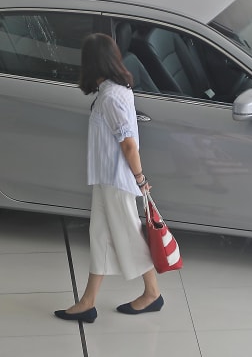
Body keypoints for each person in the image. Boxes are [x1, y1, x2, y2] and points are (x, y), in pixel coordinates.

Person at [54, 33, 163, 323]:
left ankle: (152, 293)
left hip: (117, 181)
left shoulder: (112, 97)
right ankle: (87, 302)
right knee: (100, 238)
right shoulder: (114, 90)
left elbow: (128, 143)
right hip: (106, 180)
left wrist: (140, 179)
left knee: (129, 237)